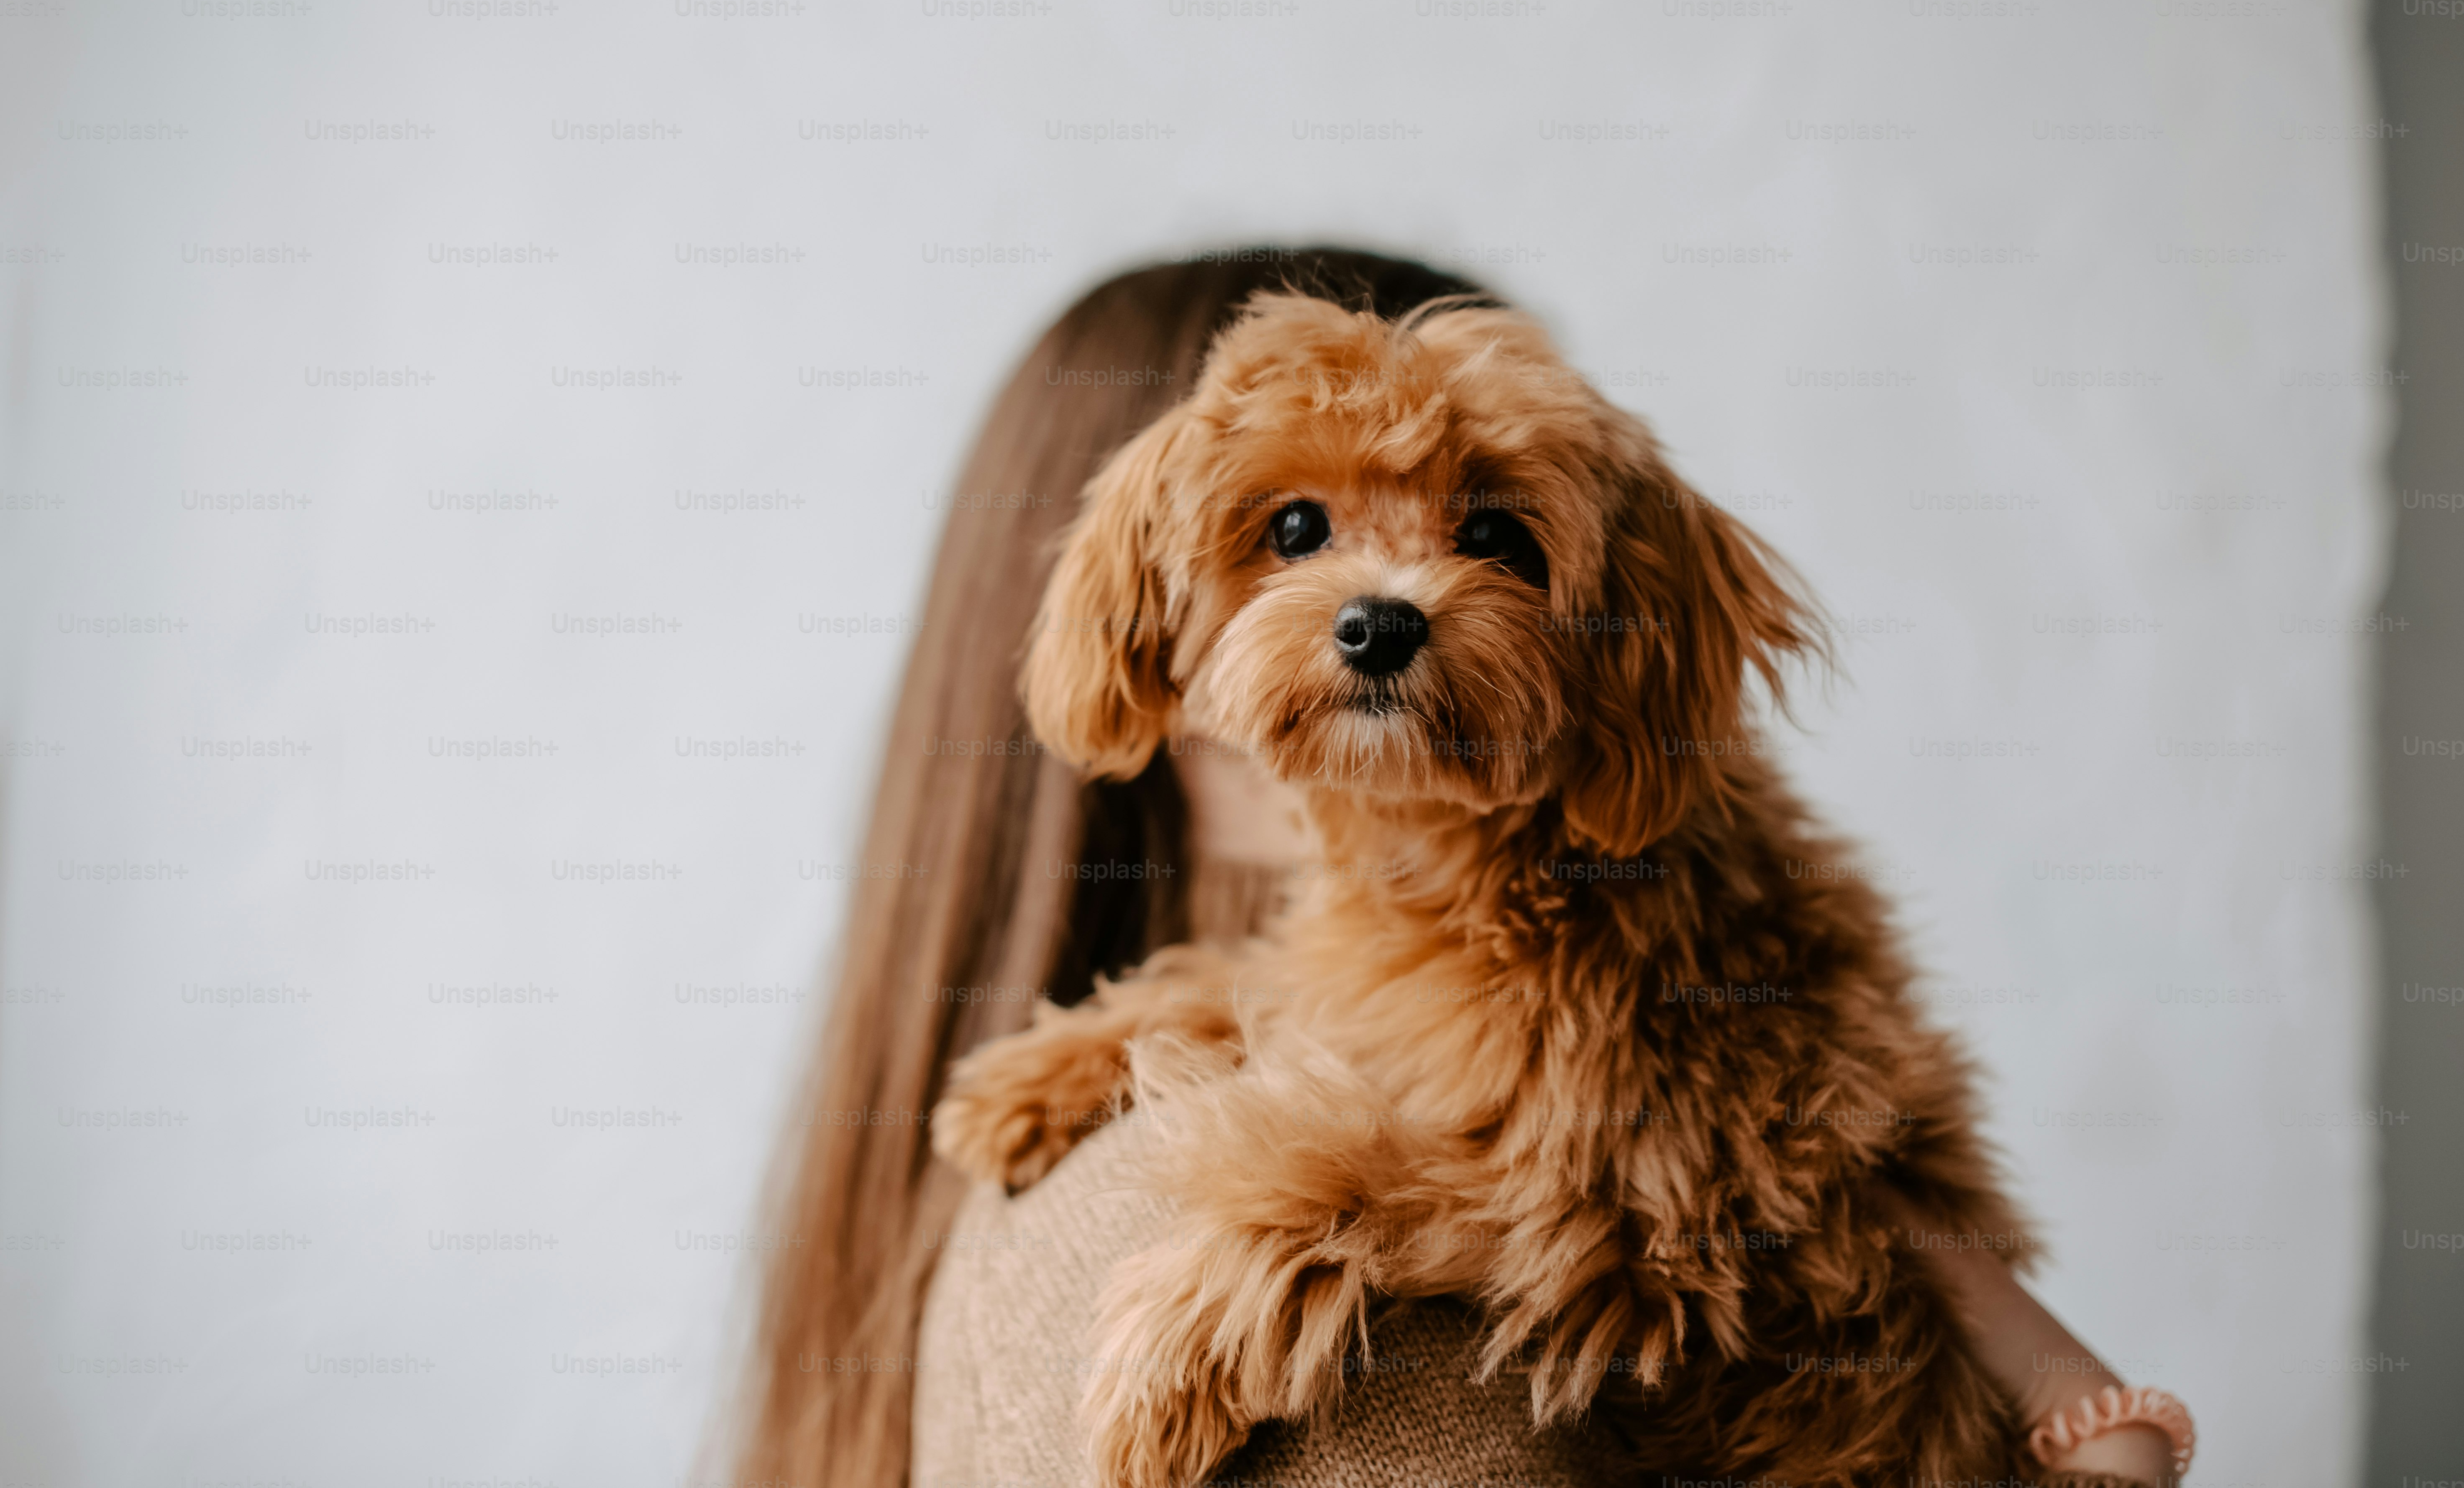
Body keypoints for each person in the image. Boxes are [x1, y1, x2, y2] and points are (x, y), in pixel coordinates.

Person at [734, 250, 2177, 1488]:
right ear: (1163, 609)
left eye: (1492, 540)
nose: (1383, 603)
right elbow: (1418, 1044)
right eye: (1298, 532)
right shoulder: (1335, 988)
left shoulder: (1683, 935)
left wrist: (1314, 1220)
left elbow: (1667, 1217)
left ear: (1614, 630)